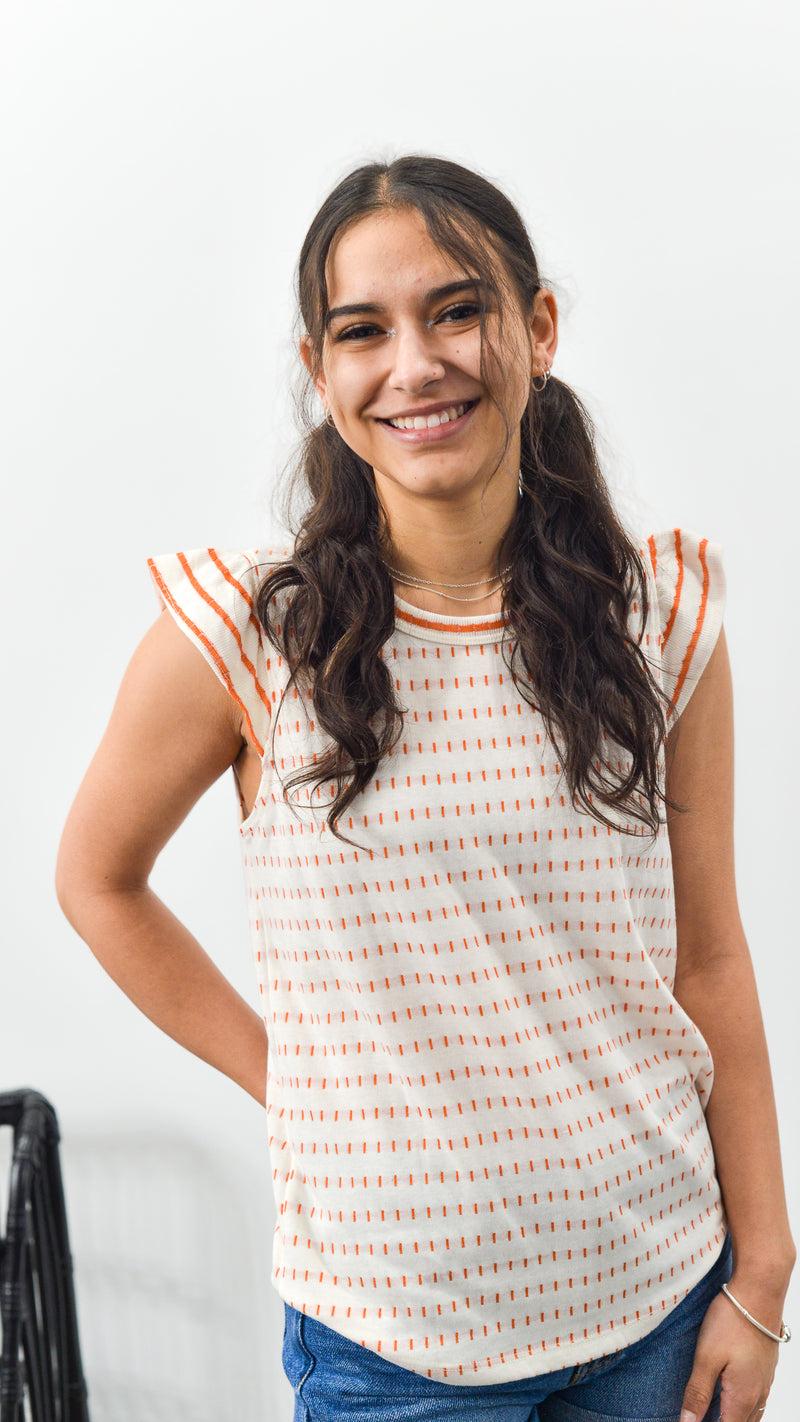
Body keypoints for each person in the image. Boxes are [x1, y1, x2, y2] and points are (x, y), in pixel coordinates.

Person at [56, 155, 794, 1422]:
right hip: (394, 1338)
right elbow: (96, 881)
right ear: (319, 370)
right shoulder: (244, 636)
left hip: (660, 1296)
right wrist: (289, 1083)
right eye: (362, 331)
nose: (414, 364)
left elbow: (709, 957)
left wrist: (762, 1268)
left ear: (536, 329)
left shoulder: (660, 616)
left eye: (456, 311)